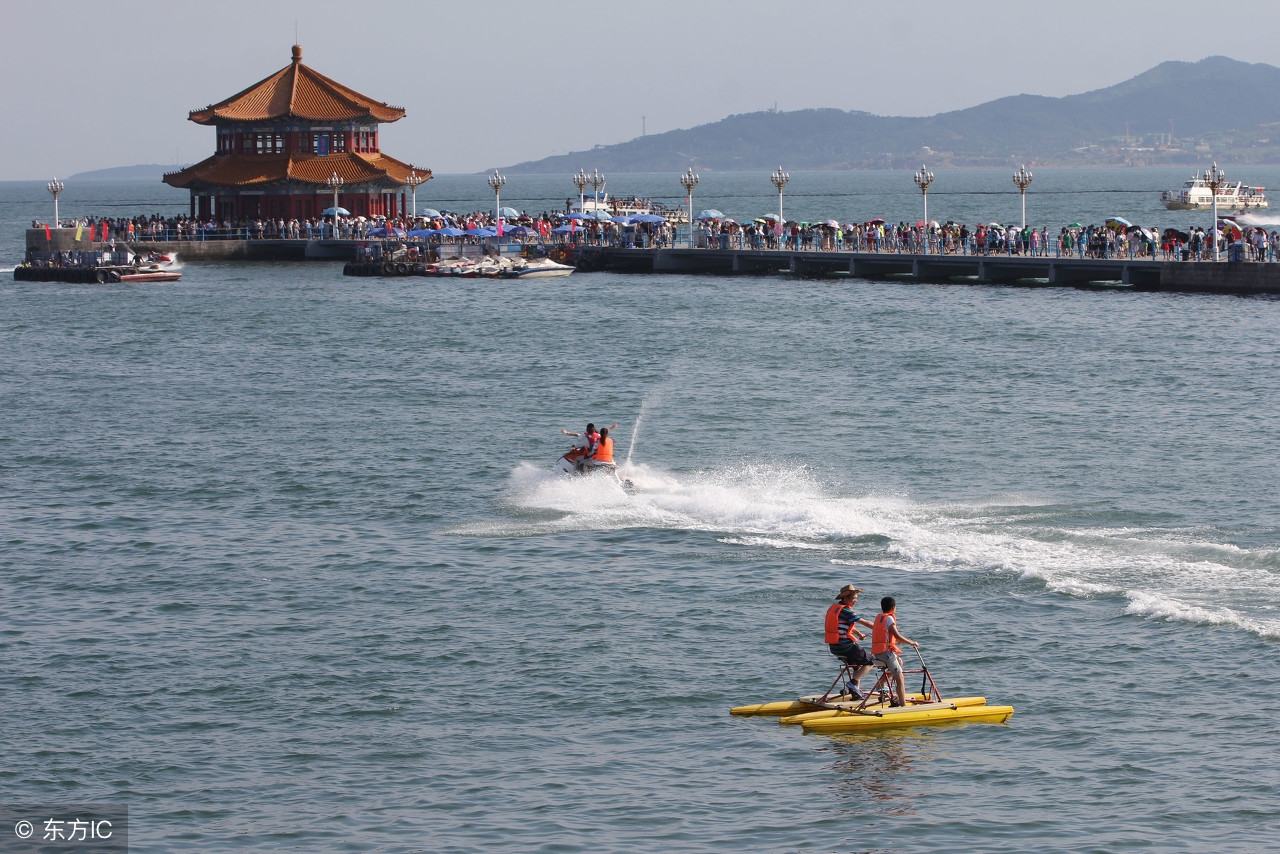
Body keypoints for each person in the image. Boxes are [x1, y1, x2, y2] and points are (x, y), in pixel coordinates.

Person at [824, 584, 875, 699]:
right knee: (871, 660)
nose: (855, 601)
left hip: (834, 647)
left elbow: (842, 625)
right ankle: (853, 683)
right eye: (853, 598)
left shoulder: (836, 609)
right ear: (846, 598)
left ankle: (855, 693)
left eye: (856, 598)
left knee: (857, 666)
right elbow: (865, 622)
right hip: (845, 646)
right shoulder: (846, 610)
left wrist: (858, 634)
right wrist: (881, 629)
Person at [871, 596, 919, 707]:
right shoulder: (889, 618)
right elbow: (897, 634)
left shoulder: (879, 617)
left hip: (878, 652)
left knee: (900, 662)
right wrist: (911, 642)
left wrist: (898, 641)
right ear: (893, 608)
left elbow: (888, 635)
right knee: (900, 678)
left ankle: (882, 683)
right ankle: (903, 705)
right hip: (886, 653)